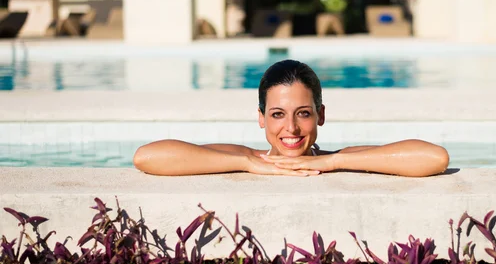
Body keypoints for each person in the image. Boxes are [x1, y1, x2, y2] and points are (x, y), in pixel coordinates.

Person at [133, 60, 449, 177]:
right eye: (277, 115)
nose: (291, 128)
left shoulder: (338, 158)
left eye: (303, 114)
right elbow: (147, 157)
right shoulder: (246, 157)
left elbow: (435, 158)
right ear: (261, 118)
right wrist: (248, 164)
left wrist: (330, 163)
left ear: (320, 115)